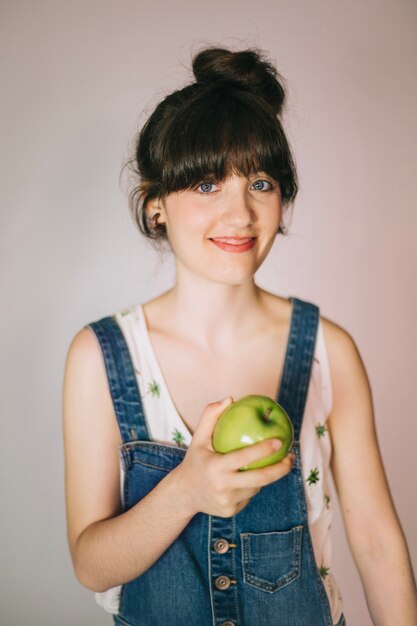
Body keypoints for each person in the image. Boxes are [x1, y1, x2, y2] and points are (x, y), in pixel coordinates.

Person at [62, 46, 417, 626]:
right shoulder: (101, 357)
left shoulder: (329, 352)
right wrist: (186, 492)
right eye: (206, 185)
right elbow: (91, 564)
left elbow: (376, 540)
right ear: (155, 206)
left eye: (259, 181)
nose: (240, 214)